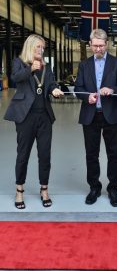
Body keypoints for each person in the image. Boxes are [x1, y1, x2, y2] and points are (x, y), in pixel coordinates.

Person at [4, 34, 64, 209]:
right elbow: (15, 78)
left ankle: (44, 189)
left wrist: (54, 90)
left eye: (43, 48)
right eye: (38, 47)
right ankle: (19, 190)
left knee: (45, 154)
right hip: (25, 117)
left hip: (44, 115)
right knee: (23, 154)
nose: (41, 50)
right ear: (30, 47)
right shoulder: (20, 63)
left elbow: (51, 83)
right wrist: (31, 69)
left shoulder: (47, 67)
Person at [75, 28, 117, 207]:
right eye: (94, 46)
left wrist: (112, 90)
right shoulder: (84, 65)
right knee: (91, 155)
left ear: (106, 44)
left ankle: (113, 188)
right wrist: (86, 96)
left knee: (114, 154)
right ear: (90, 45)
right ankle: (94, 188)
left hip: (112, 115)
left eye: (101, 46)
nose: (97, 49)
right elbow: (78, 88)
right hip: (90, 115)